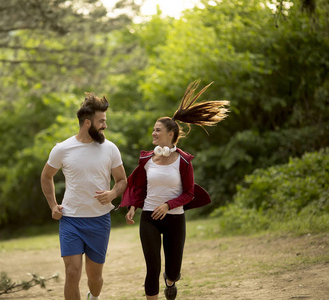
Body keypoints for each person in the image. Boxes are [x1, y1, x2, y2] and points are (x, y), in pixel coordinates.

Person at [119, 80, 229, 300]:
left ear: (170, 134)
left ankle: (170, 282)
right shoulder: (147, 160)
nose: (153, 133)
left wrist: (168, 205)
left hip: (174, 220)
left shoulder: (184, 162)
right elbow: (139, 186)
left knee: (172, 271)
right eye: (153, 130)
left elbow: (189, 193)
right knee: (152, 267)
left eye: (157, 130)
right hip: (149, 217)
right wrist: (133, 206)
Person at [41, 92, 127, 300]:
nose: (105, 126)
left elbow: (122, 180)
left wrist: (113, 193)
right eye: (101, 121)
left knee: (95, 278)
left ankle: (93, 297)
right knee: (72, 273)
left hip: (99, 220)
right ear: (87, 123)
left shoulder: (110, 149)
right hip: (71, 220)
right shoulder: (62, 149)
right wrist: (53, 205)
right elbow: (46, 176)